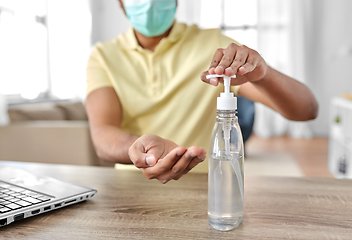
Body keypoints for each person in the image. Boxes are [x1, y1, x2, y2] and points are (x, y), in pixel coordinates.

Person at [85, 0, 318, 184]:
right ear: (120, 2)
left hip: (203, 191)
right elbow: (102, 134)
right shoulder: (103, 56)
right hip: (128, 193)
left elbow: (307, 110)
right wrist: (139, 148)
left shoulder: (213, 47)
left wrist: (265, 75)